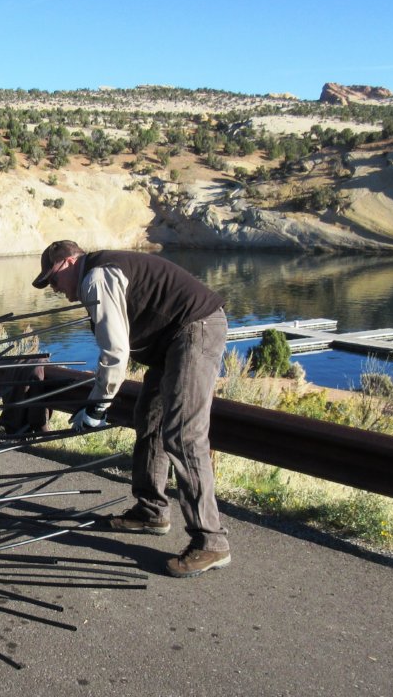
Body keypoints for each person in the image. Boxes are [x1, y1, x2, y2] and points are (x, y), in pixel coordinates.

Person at [31, 240, 231, 578]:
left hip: (194, 329)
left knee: (184, 436)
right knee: (149, 419)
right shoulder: (100, 273)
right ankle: (151, 512)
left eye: (53, 279)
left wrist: (96, 408)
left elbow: (115, 353)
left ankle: (211, 541)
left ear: (67, 262)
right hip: (173, 340)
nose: (55, 289)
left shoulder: (95, 277)